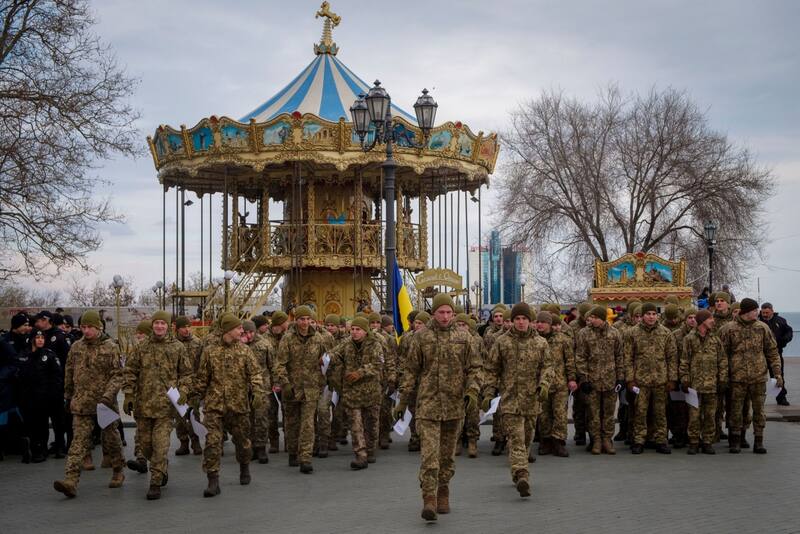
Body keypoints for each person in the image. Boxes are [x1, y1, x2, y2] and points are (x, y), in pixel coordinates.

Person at [396, 293, 481, 521]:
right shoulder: (421, 338)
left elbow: (475, 368)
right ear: (433, 313)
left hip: (454, 406)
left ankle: (444, 491)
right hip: (428, 406)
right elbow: (411, 371)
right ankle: (429, 499)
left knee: (447, 457)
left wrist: (472, 390)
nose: (444, 316)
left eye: (448, 312)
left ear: (453, 313)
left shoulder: (465, 338)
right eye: (441, 312)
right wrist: (402, 401)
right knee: (430, 457)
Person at [192, 312, 265, 497]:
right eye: (238, 328)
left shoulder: (244, 351)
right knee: (212, 443)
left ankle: (244, 467)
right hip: (214, 406)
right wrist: (192, 397)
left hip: (238, 406)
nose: (242, 331)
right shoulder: (210, 351)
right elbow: (202, 379)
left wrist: (257, 392)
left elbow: (256, 374)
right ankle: (213, 480)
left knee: (242, 442)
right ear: (228, 330)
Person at [122, 310, 193, 500]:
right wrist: (128, 394)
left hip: (165, 408)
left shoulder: (177, 347)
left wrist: (184, 391)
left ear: (169, 326)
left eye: (163, 323)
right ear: (152, 325)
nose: (159, 326)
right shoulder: (141, 347)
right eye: (156, 323)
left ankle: (155, 483)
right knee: (145, 446)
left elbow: (186, 374)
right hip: (143, 406)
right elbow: (130, 371)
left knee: (160, 446)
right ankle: (161, 469)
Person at [483, 303, 552, 498]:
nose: (521, 322)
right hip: (510, 399)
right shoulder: (502, 342)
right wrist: (488, 393)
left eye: (524, 319)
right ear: (512, 321)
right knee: (516, 439)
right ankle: (522, 474)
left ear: (530, 321)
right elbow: (492, 369)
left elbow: (548, 367)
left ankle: (519, 470)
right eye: (517, 319)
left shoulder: (540, 343)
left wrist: (545, 384)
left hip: (532, 399)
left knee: (528, 438)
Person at [53, 311, 125, 498]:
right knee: (78, 443)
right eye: (83, 327)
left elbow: (118, 375)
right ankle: (70, 480)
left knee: (112, 440)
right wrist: (68, 396)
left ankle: (118, 470)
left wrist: (108, 396)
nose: (86, 331)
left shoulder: (110, 347)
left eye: (89, 327)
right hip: (82, 404)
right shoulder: (76, 347)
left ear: (98, 327)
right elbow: (69, 373)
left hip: (104, 404)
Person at [719, 298, 783, 454]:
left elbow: (772, 352)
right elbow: (721, 355)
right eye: (755, 310)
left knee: (759, 410)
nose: (758, 313)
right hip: (736, 378)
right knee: (735, 410)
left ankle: (758, 441)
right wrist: (723, 376)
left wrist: (778, 374)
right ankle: (735, 440)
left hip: (758, 377)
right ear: (747, 311)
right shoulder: (729, 329)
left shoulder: (763, 328)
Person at [273, 305, 328, 474]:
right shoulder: (287, 339)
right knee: (292, 424)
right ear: (296, 320)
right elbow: (279, 365)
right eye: (302, 319)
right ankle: (292, 452)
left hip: (311, 389)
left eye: (308, 319)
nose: (305, 323)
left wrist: (323, 370)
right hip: (292, 388)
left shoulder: (318, 339)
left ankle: (305, 458)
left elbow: (325, 360)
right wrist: (285, 383)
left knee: (308, 425)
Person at [327, 316, 382, 470]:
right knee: (355, 425)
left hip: (371, 392)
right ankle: (360, 455)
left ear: (365, 331)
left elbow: (378, 364)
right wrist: (326, 358)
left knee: (371, 424)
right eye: (353, 329)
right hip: (352, 393)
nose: (355, 332)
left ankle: (370, 449)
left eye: (358, 330)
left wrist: (360, 372)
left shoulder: (375, 344)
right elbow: (335, 353)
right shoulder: (346, 344)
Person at [624, 302, 678, 455]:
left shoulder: (666, 333)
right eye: (648, 314)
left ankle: (660, 440)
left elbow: (672, 357)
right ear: (642, 316)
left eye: (654, 314)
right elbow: (627, 358)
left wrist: (672, 379)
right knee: (640, 412)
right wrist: (630, 379)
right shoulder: (632, 333)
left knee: (660, 412)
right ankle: (639, 440)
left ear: (657, 315)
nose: (651, 317)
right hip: (640, 381)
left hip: (660, 381)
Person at [575, 305, 624, 455]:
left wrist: (620, 378)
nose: (591, 320)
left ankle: (607, 440)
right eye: (591, 317)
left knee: (609, 413)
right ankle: (596, 440)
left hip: (610, 380)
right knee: (593, 413)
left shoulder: (615, 333)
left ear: (602, 319)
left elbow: (619, 356)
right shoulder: (584, 333)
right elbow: (580, 357)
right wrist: (584, 379)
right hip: (592, 380)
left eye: (595, 317)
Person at [679, 309, 727, 455]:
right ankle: (694, 442)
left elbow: (723, 360)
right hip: (695, 386)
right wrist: (685, 379)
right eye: (710, 318)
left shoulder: (715, 339)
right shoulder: (689, 339)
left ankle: (707, 442)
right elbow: (684, 361)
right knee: (694, 416)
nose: (713, 320)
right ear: (702, 321)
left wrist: (723, 379)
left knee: (710, 416)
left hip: (712, 386)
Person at [535, 311, 577, 457]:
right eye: (538, 322)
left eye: (543, 322)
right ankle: (545, 441)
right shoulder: (534, 339)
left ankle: (558, 441)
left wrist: (572, 379)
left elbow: (570, 361)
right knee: (544, 414)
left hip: (559, 383)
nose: (540, 324)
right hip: (541, 385)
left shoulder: (562, 339)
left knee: (560, 413)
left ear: (550, 324)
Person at [22, 331, 63, 462]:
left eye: (42, 338)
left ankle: (53, 448)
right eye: (37, 338)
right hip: (32, 398)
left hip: (48, 397)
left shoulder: (49, 355)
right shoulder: (26, 356)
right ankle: (38, 449)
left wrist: (53, 394)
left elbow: (57, 376)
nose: (40, 340)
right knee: (37, 426)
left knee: (51, 424)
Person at [174, 316, 204, 455]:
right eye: (183, 327)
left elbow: (202, 365)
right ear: (177, 328)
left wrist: (199, 383)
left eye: (188, 326)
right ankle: (183, 443)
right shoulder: (172, 343)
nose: (186, 330)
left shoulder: (198, 343)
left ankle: (196, 442)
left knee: (194, 415)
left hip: (193, 386)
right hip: (176, 387)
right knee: (180, 417)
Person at [264, 311, 289, 453]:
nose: (287, 324)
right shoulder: (265, 340)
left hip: (286, 381)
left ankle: (288, 442)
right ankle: (274, 441)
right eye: (285, 322)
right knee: (271, 413)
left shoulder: (289, 336)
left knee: (288, 412)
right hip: (269, 382)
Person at [759, 302, 793, 405]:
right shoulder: (757, 321)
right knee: (758, 377)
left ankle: (780, 398)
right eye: (763, 312)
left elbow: (789, 331)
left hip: (776, 354)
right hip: (760, 355)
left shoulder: (780, 321)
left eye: (767, 312)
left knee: (777, 377)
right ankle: (758, 400)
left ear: (772, 311)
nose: (764, 315)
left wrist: (784, 340)